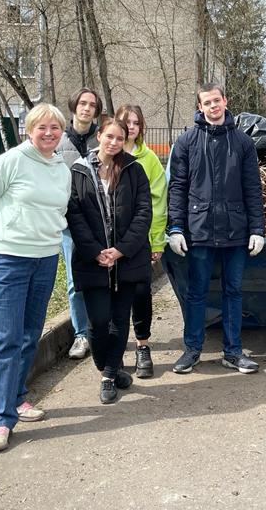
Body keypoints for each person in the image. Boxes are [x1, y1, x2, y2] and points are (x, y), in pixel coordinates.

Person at [0, 103, 71, 452]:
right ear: (29, 130)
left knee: (29, 334)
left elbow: (59, 210)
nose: (49, 133)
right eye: (41, 127)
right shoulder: (11, 161)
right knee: (7, 337)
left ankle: (16, 398)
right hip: (7, 260)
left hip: (45, 259)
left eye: (55, 128)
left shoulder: (61, 169)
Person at [166, 84, 265, 374]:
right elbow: (178, 188)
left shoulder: (243, 143)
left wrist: (257, 229)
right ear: (200, 107)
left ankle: (233, 352)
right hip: (200, 230)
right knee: (196, 291)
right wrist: (176, 227)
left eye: (216, 100)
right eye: (207, 102)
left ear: (225, 101)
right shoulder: (187, 142)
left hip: (236, 230)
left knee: (233, 291)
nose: (213, 106)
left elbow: (252, 188)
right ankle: (192, 350)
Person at [66, 116, 152, 404]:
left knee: (119, 320)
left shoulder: (133, 169)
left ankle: (108, 377)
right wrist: (95, 252)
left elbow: (143, 213)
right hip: (92, 261)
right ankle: (108, 368)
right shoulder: (79, 170)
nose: (114, 143)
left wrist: (121, 250)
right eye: (110, 136)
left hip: (127, 260)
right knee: (98, 321)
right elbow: (74, 214)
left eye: (120, 138)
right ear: (99, 135)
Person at [116, 104, 168, 379]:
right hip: (111, 242)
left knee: (140, 294)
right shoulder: (105, 156)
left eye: (136, 123)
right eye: (127, 122)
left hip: (140, 241)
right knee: (114, 297)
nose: (132, 127)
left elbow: (158, 203)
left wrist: (157, 240)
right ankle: (115, 352)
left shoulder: (149, 160)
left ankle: (142, 346)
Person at [56, 87, 103, 361]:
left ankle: (104, 331)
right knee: (75, 281)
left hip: (101, 221)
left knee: (105, 278)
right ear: (74, 106)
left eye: (92, 104)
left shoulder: (103, 137)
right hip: (69, 222)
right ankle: (81, 334)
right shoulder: (59, 140)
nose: (86, 108)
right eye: (82, 103)